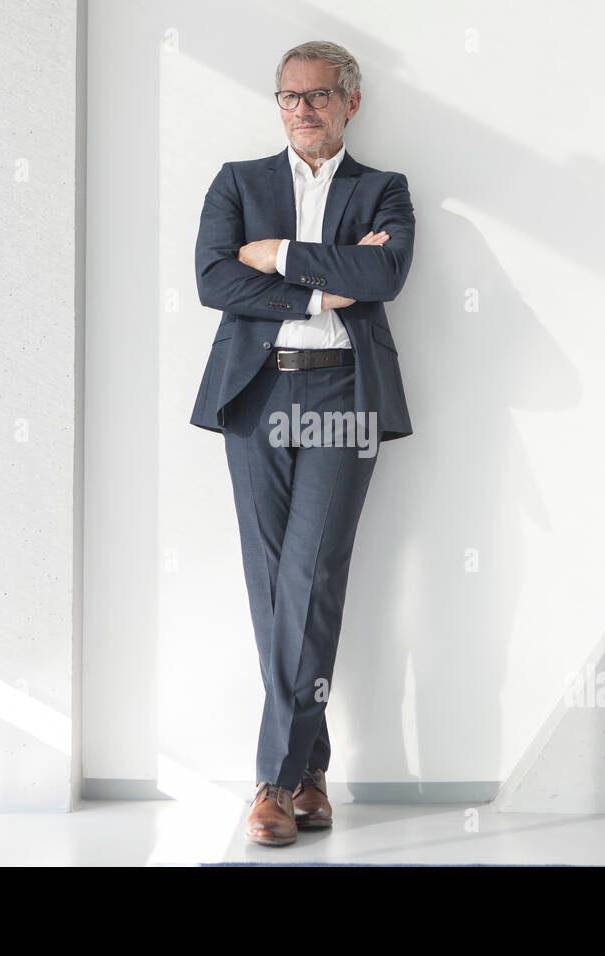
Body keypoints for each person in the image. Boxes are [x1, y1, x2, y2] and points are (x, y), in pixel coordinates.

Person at [190, 40, 415, 846]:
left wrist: (279, 258)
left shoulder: (383, 189)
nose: (302, 110)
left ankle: (274, 784)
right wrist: (329, 282)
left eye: (318, 96)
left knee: (312, 574)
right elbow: (216, 280)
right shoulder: (238, 182)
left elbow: (386, 280)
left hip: (343, 395)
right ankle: (314, 770)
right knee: (273, 588)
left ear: (350, 102)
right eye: (289, 97)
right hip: (256, 393)